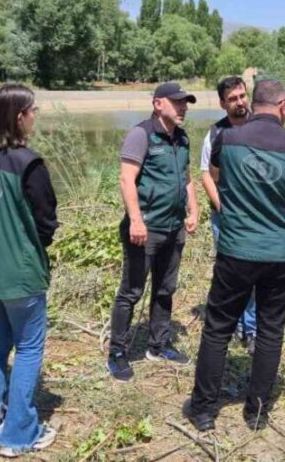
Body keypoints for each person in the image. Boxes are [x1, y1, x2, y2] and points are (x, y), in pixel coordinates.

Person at [184, 78, 285, 432]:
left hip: (236, 251)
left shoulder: (225, 139)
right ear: (283, 106)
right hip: (282, 254)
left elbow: (214, 178)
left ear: (253, 103)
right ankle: (256, 412)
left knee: (217, 329)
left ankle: (203, 410)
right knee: (271, 331)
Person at [0, 83, 59, 457]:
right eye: (33, 110)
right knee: (29, 347)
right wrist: (36, 247)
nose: (36, 116)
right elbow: (45, 220)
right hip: (19, 272)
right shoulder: (28, 163)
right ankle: (19, 434)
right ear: (20, 117)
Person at [107, 82, 200, 382]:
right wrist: (136, 219)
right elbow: (126, 179)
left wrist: (194, 209)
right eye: (177, 102)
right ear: (158, 104)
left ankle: (158, 345)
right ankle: (117, 353)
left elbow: (186, 178)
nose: (183, 107)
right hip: (145, 229)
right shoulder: (141, 134)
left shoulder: (182, 138)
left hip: (174, 228)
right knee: (131, 291)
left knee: (165, 289)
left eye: (186, 103)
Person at [199, 76, 258, 353]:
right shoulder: (215, 134)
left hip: (257, 215)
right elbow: (206, 176)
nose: (240, 102)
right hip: (225, 217)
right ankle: (233, 326)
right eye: (233, 98)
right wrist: (222, 207)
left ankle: (253, 328)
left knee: (255, 272)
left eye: (242, 96)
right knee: (229, 273)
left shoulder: (261, 127)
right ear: (223, 103)